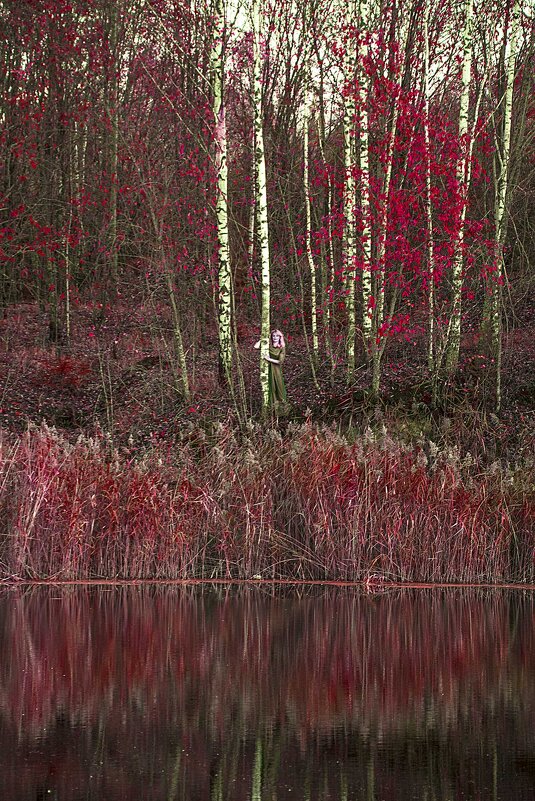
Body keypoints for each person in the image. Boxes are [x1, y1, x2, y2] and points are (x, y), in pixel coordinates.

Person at [254, 328, 287, 408]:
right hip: (267, 369)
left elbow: (280, 362)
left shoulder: (282, 347)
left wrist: (269, 359)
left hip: (277, 370)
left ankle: (281, 407)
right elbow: (256, 346)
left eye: (277, 336)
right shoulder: (268, 345)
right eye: (273, 336)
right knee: (269, 387)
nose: (275, 337)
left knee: (279, 387)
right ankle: (271, 408)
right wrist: (264, 338)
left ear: (280, 337)